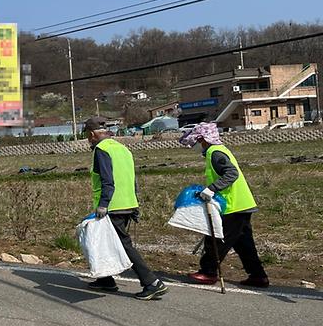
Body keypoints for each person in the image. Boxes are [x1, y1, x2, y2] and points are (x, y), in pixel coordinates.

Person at [84, 117, 168, 300]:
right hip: (128, 202)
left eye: (87, 137)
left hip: (112, 206)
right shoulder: (123, 149)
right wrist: (135, 203)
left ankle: (152, 283)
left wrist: (104, 204)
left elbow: (108, 180)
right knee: (103, 243)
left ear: (91, 135)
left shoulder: (101, 150)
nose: (88, 140)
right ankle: (105, 280)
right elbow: (132, 179)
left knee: (123, 245)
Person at [179, 122, 269, 288]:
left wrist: (212, 189)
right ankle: (258, 275)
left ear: (202, 140)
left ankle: (208, 272)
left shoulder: (215, 153)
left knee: (215, 238)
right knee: (244, 243)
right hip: (242, 204)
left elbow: (231, 173)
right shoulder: (219, 150)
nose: (194, 147)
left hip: (232, 206)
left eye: (195, 143)